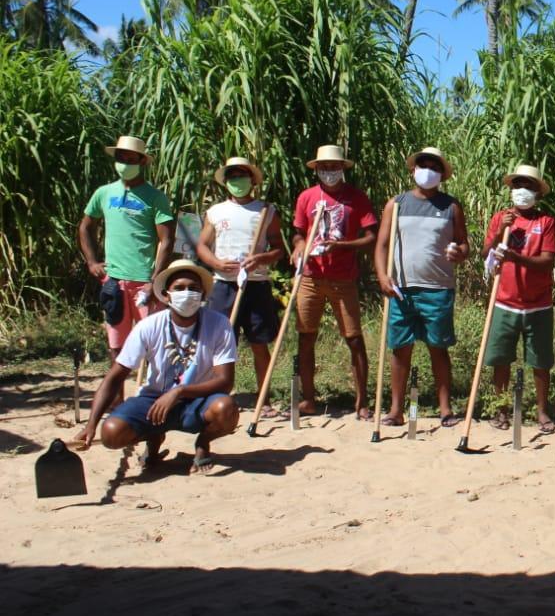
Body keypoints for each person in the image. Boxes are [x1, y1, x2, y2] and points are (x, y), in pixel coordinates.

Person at [74, 260, 238, 475]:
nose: (187, 294)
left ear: (203, 295)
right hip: (154, 400)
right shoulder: (149, 326)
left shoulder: (219, 324)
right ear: (166, 295)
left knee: (225, 409)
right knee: (112, 434)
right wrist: (91, 424)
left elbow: (225, 381)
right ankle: (153, 437)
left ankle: (203, 442)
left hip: (197, 401)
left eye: (193, 288)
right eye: (179, 288)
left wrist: (179, 391)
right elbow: (115, 377)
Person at [374, 147, 469, 427]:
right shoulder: (397, 204)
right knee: (400, 349)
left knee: (437, 347)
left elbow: (464, 244)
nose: (428, 170)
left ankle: (445, 409)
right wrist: (382, 276)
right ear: (413, 170)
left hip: (438, 288)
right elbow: (381, 245)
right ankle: (396, 411)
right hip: (401, 288)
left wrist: (460, 253)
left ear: (442, 175)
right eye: (423, 164)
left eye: (434, 167)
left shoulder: (451, 206)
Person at [293, 144, 378, 419]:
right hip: (310, 277)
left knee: (354, 339)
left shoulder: (356, 198)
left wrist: (342, 246)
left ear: (342, 168)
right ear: (316, 169)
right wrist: (299, 247)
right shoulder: (307, 197)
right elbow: (298, 233)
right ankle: (308, 399)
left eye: (334, 166)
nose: (329, 171)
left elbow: (370, 237)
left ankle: (362, 401)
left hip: (343, 280)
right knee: (306, 337)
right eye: (324, 167)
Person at [78, 135, 175, 363]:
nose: (125, 163)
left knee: (155, 347)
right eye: (121, 158)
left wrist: (154, 280)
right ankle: (118, 399)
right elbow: (85, 226)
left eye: (131, 159)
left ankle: (154, 397)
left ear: (142, 162)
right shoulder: (104, 193)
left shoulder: (155, 197)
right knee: (116, 348)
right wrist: (92, 262)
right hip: (114, 283)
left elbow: (167, 240)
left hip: (145, 283)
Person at [197, 156, 286, 398]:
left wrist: (261, 259)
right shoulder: (216, 212)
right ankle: (220, 392)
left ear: (252, 180)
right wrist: (216, 262)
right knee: (222, 342)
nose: (238, 181)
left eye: (242, 176)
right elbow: (202, 246)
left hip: (256, 284)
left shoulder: (266, 210)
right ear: (226, 182)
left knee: (259, 343)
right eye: (233, 176)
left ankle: (263, 397)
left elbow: (279, 248)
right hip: (224, 285)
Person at [481, 165, 555, 433]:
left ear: (537, 192)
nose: (522, 191)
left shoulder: (545, 222)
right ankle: (501, 410)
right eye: (517, 185)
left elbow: (546, 261)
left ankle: (541, 412)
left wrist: (517, 258)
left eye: (528, 186)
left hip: (538, 303)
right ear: (511, 190)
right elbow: (486, 253)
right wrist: (496, 233)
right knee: (500, 360)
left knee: (539, 361)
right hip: (504, 301)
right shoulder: (501, 218)